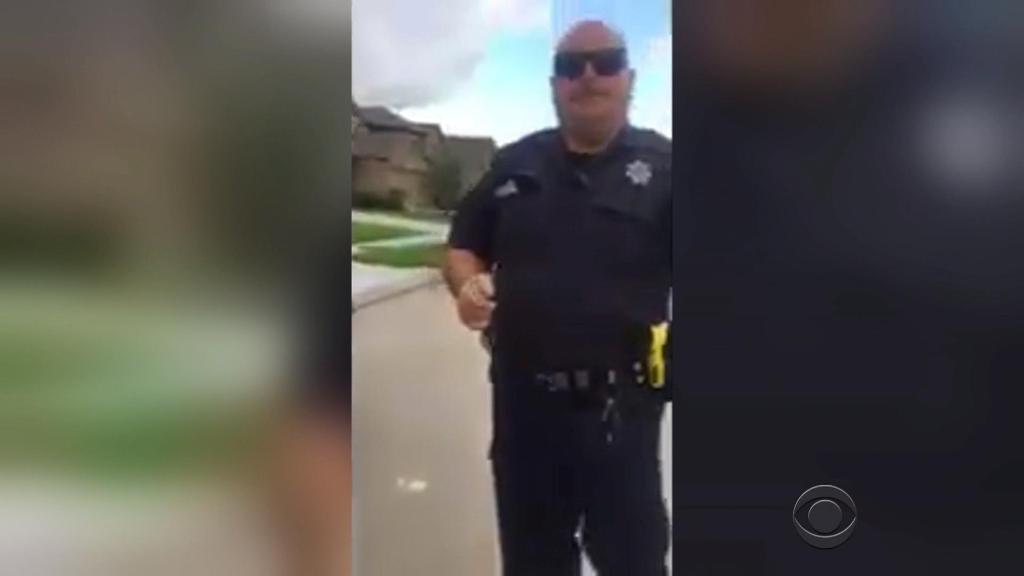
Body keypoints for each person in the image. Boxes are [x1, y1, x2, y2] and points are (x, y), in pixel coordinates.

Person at [444, 20, 672, 576]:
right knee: (532, 561)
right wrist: (467, 285)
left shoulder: (669, 168)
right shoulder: (514, 163)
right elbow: (463, 246)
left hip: (623, 415)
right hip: (524, 412)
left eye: (605, 63)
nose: (588, 76)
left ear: (629, 79)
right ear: (553, 85)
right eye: (571, 66)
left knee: (635, 562)